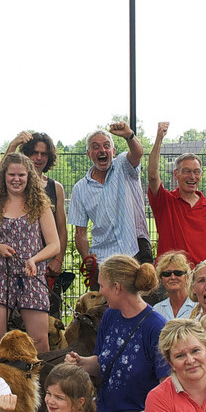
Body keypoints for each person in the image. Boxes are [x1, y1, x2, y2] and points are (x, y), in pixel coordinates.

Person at [65, 255, 170, 412]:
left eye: (102, 286)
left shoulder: (156, 326)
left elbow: (166, 381)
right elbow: (102, 362)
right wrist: (81, 362)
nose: (100, 291)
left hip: (137, 410)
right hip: (105, 406)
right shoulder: (110, 316)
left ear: (116, 287)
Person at [0, 150, 61, 354]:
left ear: (29, 177)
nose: (16, 179)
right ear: (4, 177)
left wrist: (35, 259)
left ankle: (39, 383)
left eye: (21, 175)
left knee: (39, 341)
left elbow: (54, 245)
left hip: (31, 276)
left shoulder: (41, 205)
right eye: (11, 175)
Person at [68, 122, 146, 289]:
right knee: (103, 311)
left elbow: (137, 153)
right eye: (96, 147)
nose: (102, 150)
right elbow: (80, 232)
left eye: (106, 146)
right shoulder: (80, 189)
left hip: (133, 253)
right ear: (89, 154)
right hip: (103, 260)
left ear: (113, 151)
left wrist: (129, 135)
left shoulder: (123, 166)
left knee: (138, 307)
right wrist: (86, 258)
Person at [146, 121, 206, 264]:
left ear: (201, 176)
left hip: (201, 281)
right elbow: (153, 175)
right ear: (175, 174)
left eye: (196, 172)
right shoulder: (165, 201)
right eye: (186, 171)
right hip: (170, 278)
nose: (192, 176)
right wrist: (159, 138)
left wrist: (203, 272)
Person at [20, 131, 70, 316]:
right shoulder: (16, 184)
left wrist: (58, 260)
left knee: (50, 319)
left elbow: (62, 229)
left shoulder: (55, 188)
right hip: (21, 260)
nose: (38, 158)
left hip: (48, 265)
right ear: (25, 154)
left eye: (43, 154)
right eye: (34, 152)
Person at [153, 252, 195, 321]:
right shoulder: (157, 310)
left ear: (187, 276)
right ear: (161, 278)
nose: (172, 277)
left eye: (178, 273)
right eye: (167, 274)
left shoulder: (199, 307)